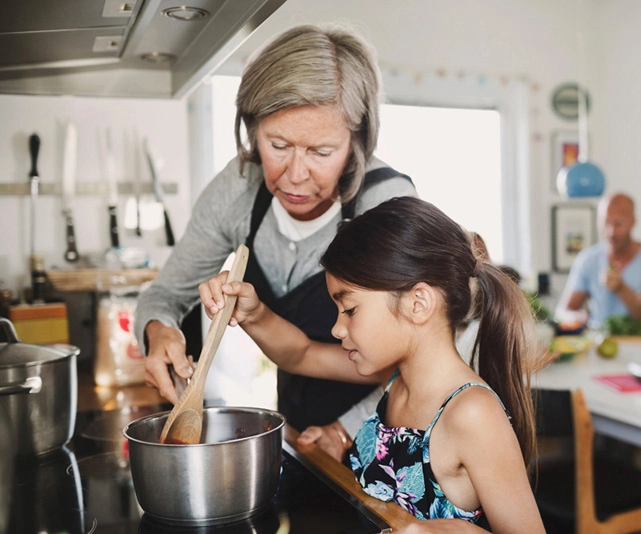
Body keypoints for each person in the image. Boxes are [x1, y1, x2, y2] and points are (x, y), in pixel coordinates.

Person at [134, 24, 417, 459]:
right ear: (253, 128)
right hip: (300, 434)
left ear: (356, 140)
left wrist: (349, 428)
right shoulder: (238, 189)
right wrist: (159, 332)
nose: (296, 175)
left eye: (321, 152)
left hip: (391, 432)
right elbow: (164, 296)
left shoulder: (385, 204)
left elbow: (424, 356)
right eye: (278, 145)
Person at [198, 196, 546, 533]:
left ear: (418, 304)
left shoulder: (472, 413)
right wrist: (254, 314)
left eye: (350, 310)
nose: (337, 328)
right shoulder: (395, 379)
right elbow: (301, 354)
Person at [557, 192, 641, 328]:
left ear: (633, 222)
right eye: (606, 223)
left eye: (618, 224)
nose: (611, 232)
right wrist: (577, 318)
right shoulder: (587, 259)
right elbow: (563, 311)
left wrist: (620, 288)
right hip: (597, 338)